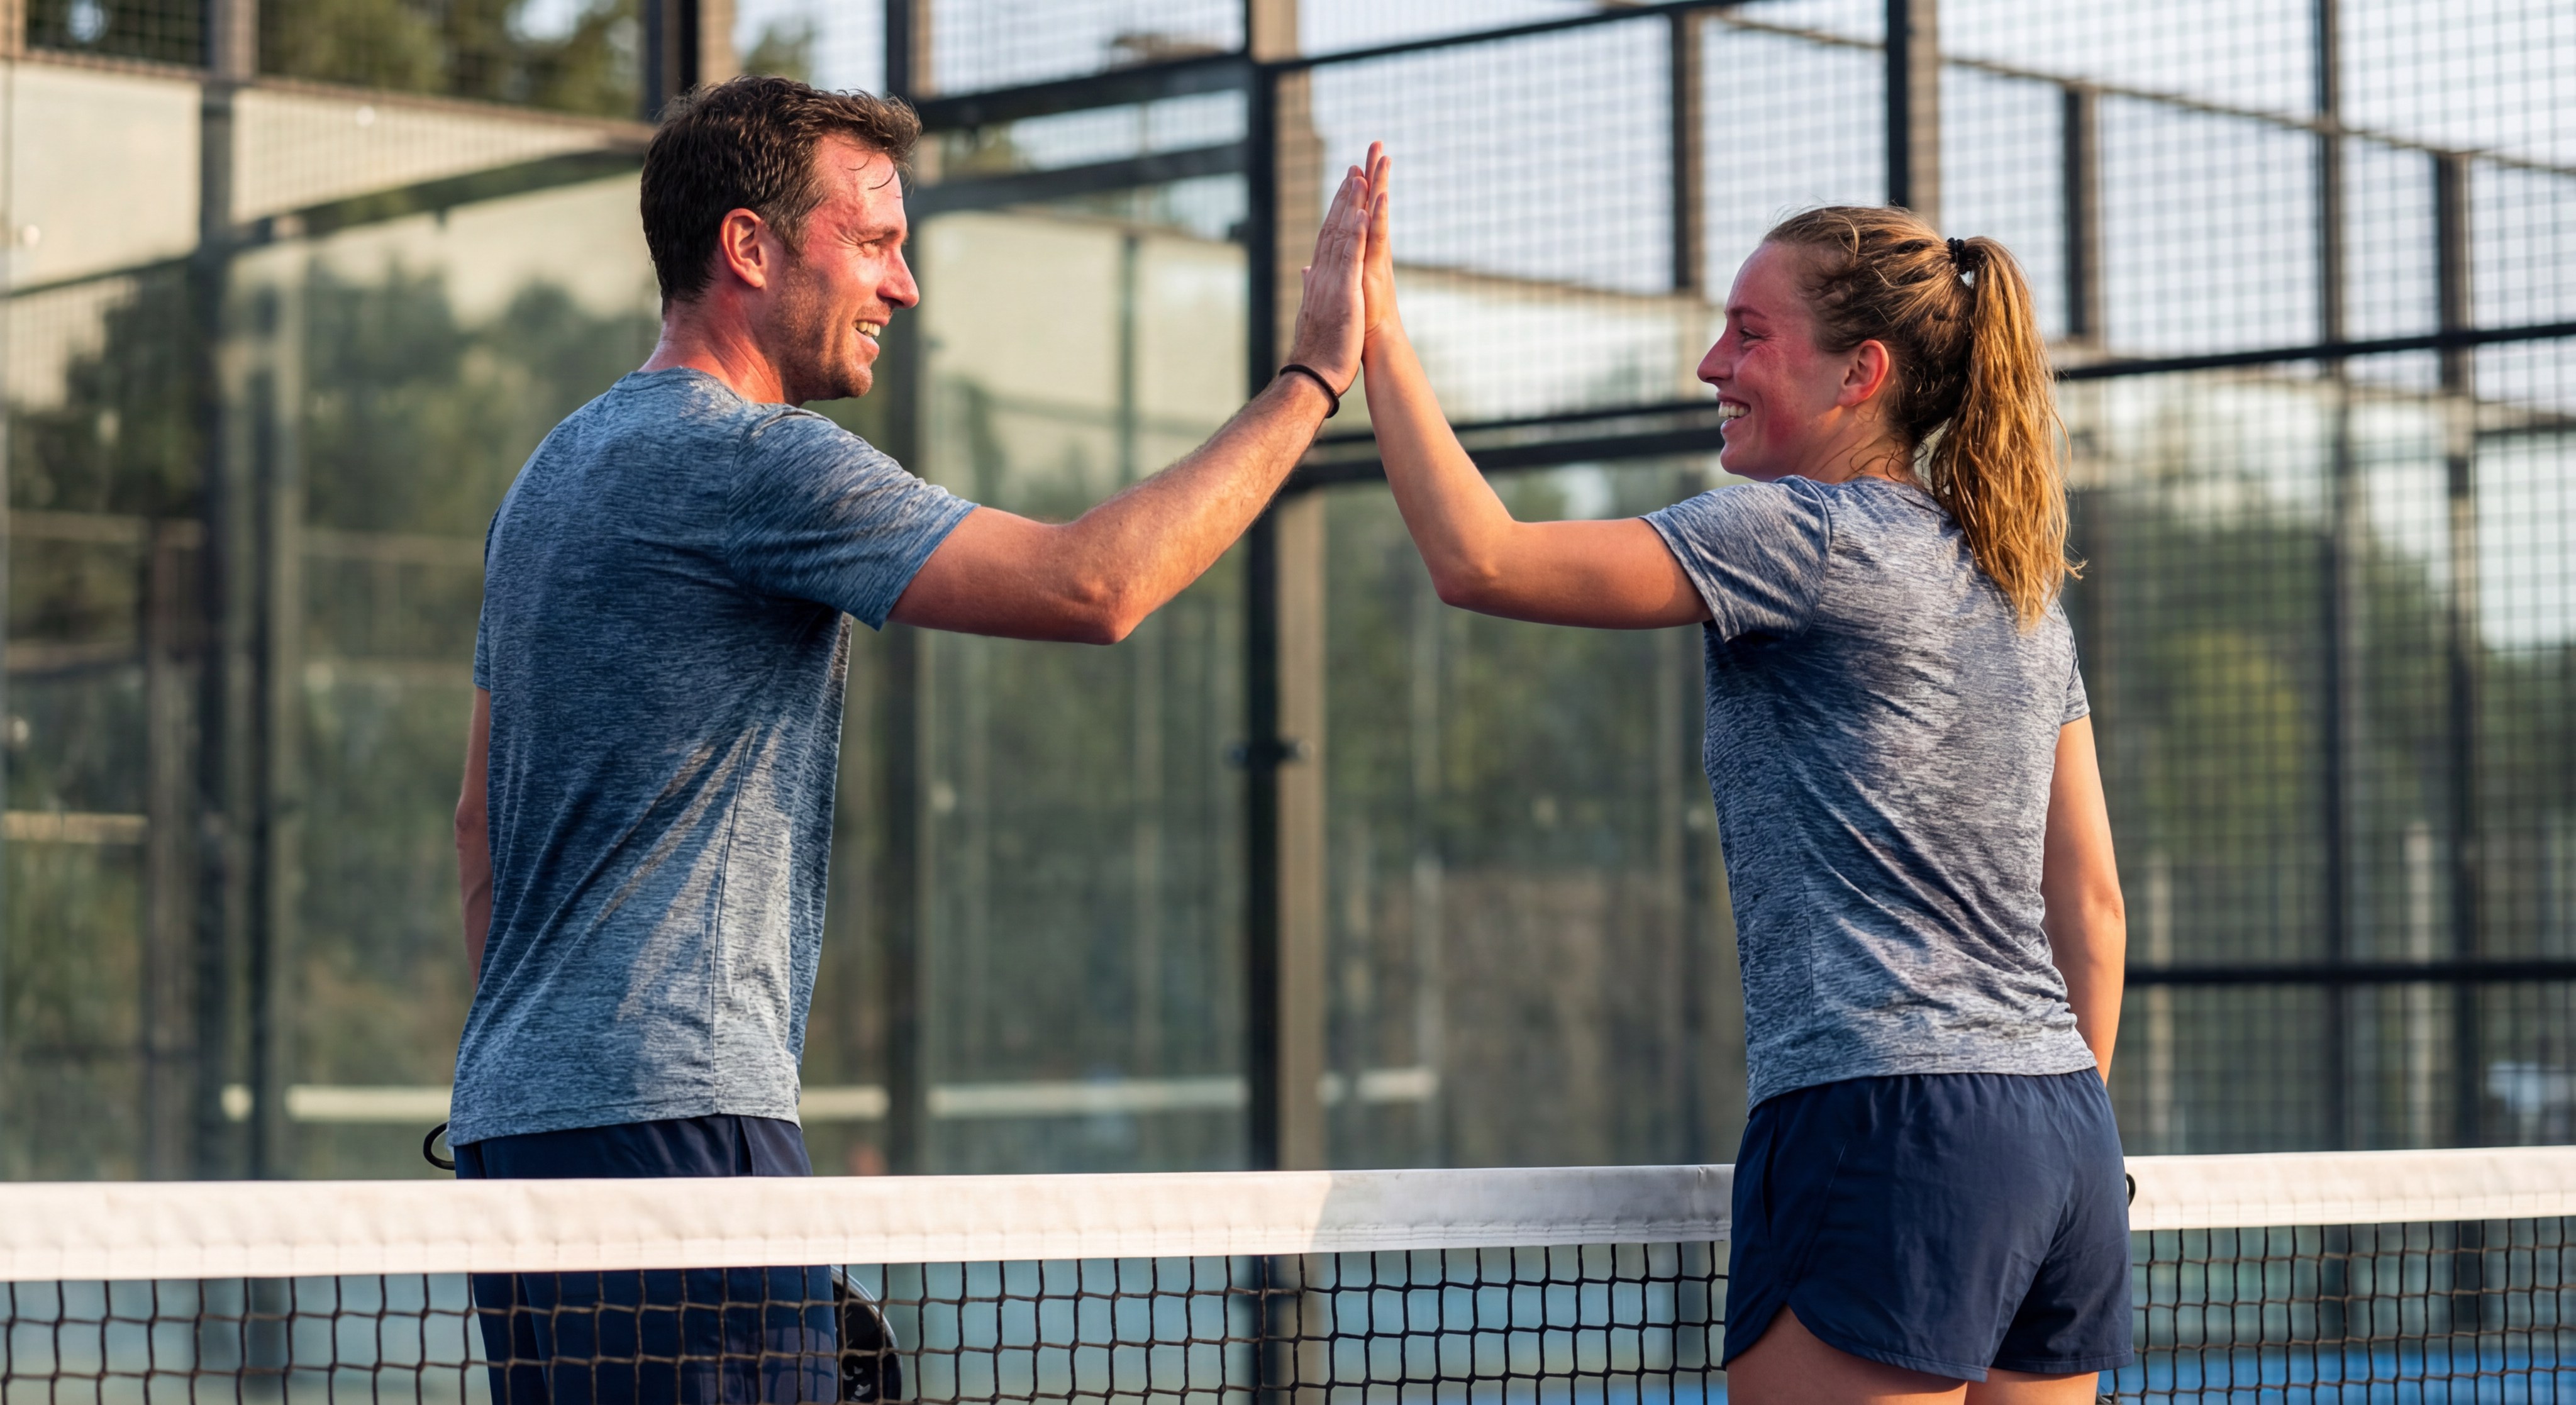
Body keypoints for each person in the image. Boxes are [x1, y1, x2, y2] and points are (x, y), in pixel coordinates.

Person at [448, 75, 1375, 1402]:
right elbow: (1090, 585)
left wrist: (549, 1069)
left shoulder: (552, 473)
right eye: (873, 241)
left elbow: (478, 823)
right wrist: (1310, 377)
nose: (905, 284)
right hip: (679, 1127)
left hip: (516, 1134)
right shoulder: (752, 460)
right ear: (749, 248)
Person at [1348, 143, 2130, 1404]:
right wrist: (2039, 1141)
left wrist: (1372, 336)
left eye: (1747, 333)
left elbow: (1478, 560)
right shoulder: (2019, 587)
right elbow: (2089, 909)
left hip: (1883, 1130)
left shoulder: (1797, 534)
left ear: (1858, 374)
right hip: (2060, 1137)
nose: (1712, 364)